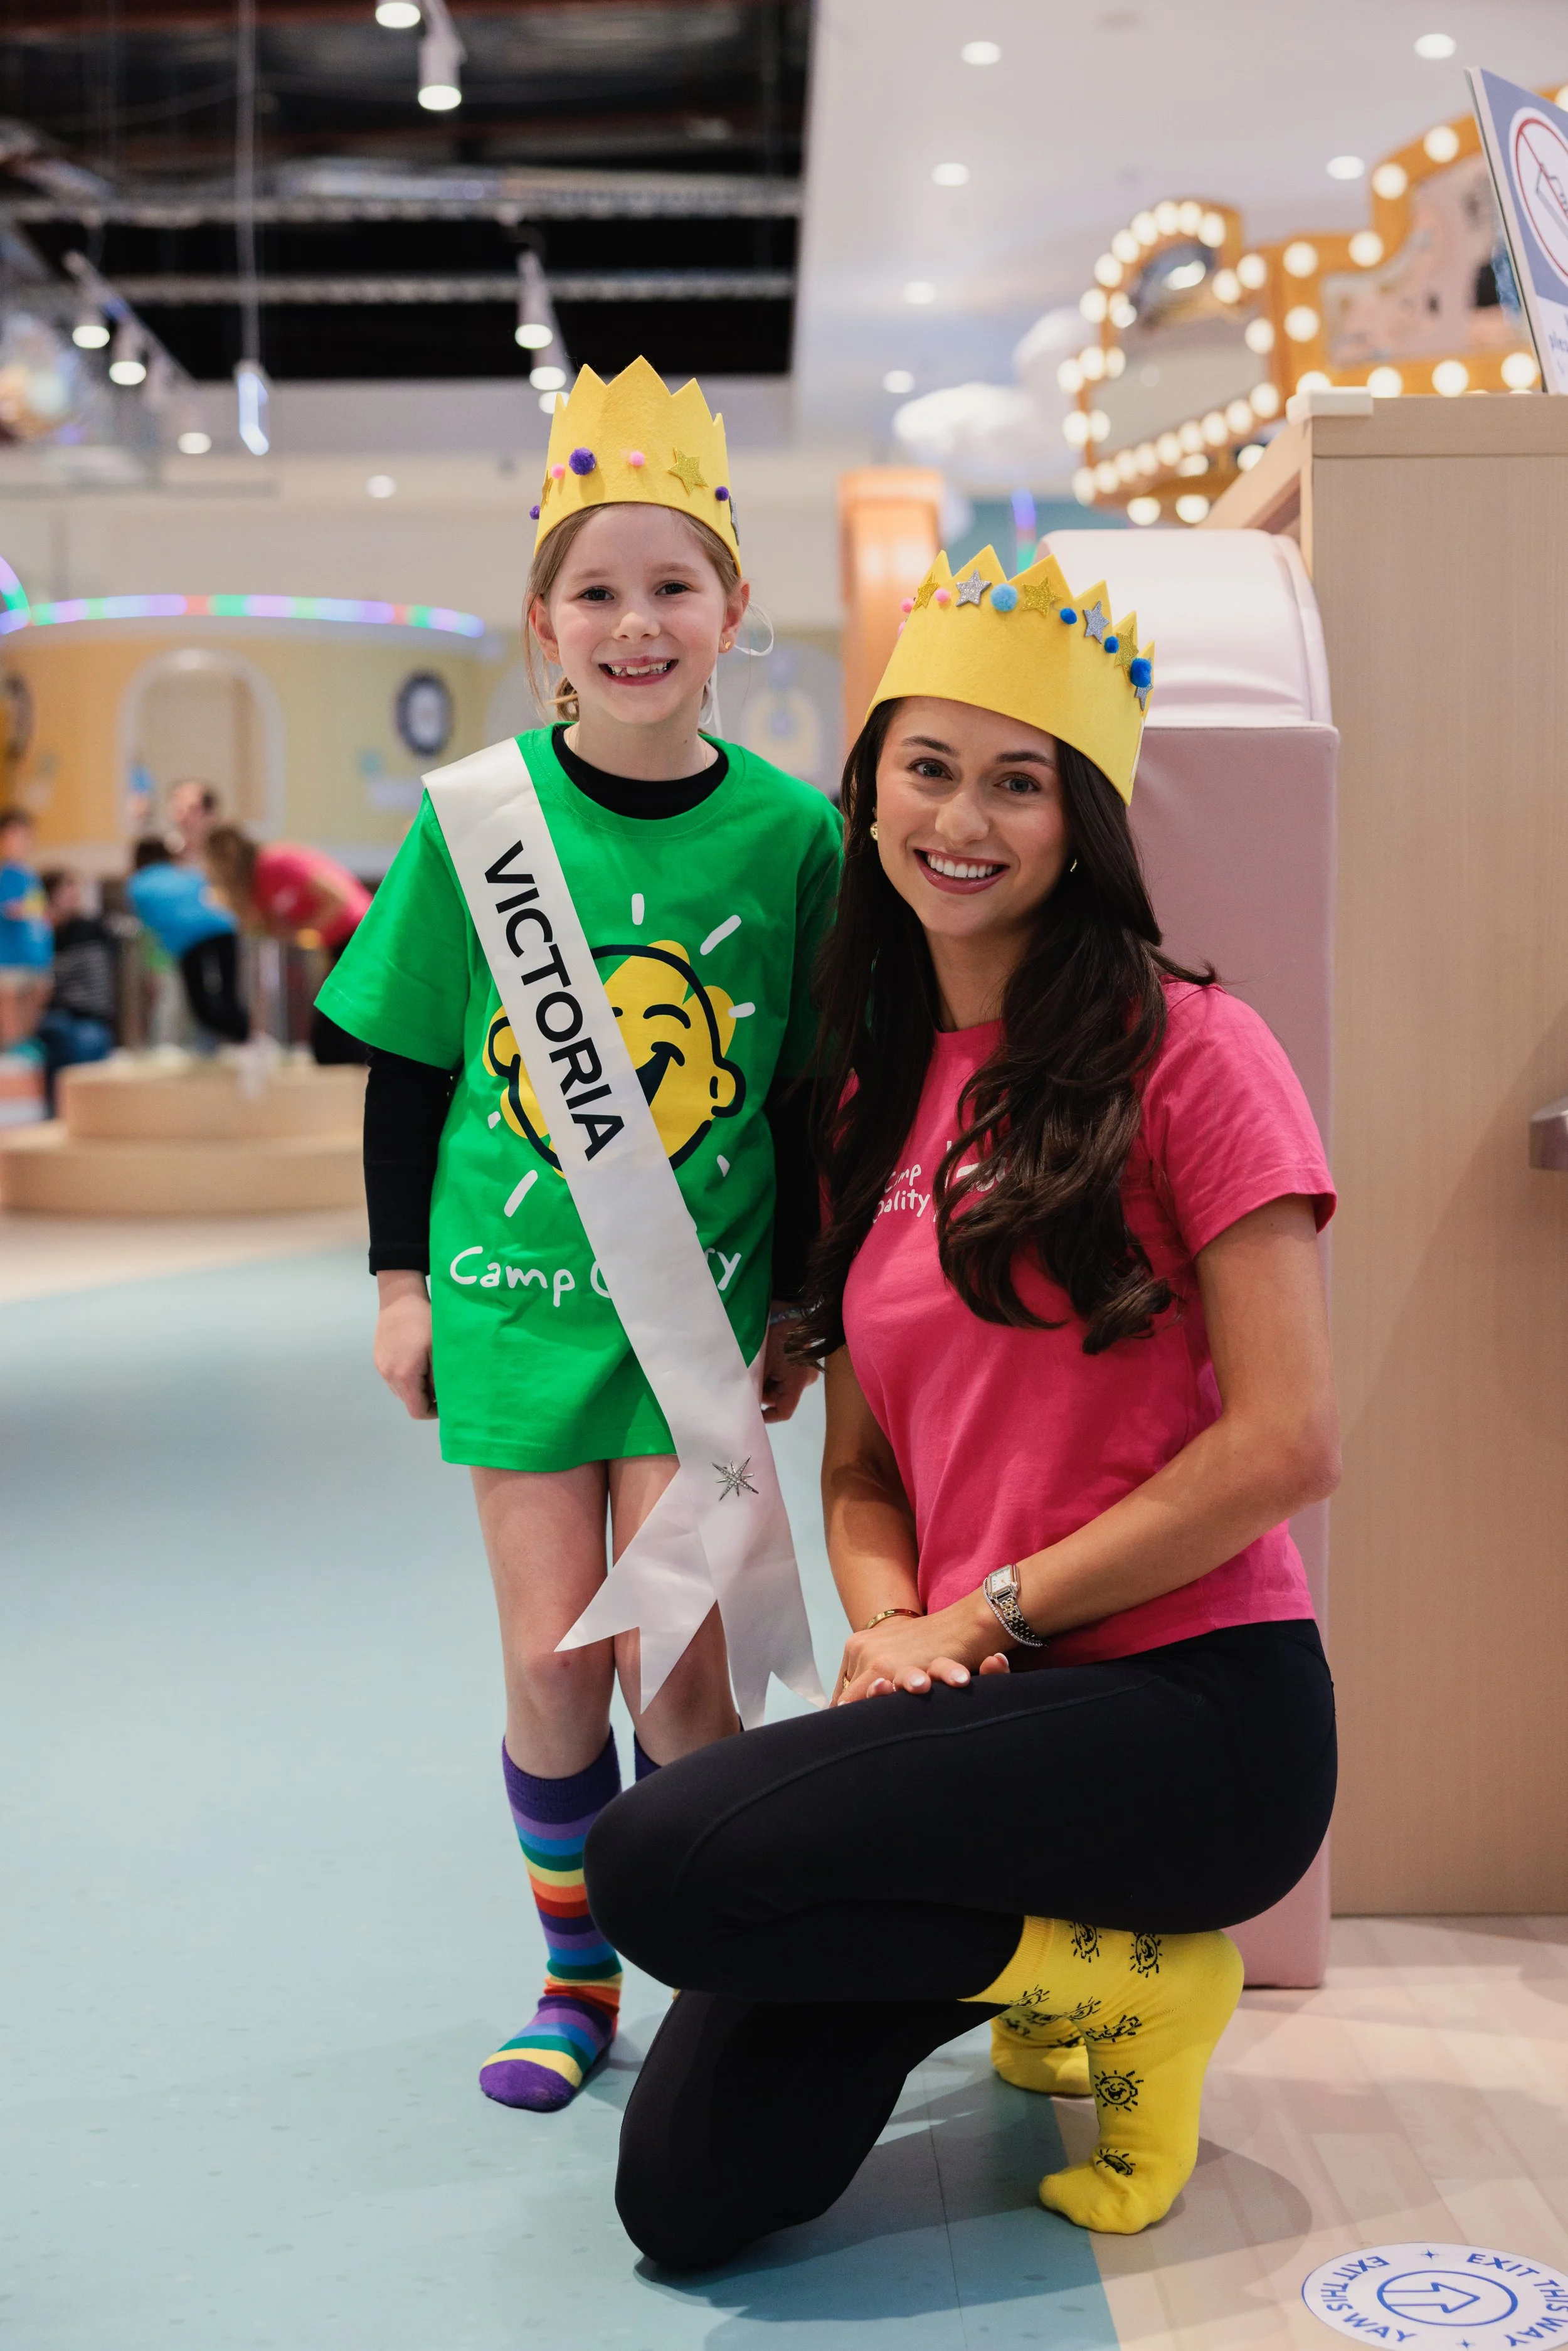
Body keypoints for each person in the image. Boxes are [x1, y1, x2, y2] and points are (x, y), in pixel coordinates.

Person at [586, 545, 1340, 2268]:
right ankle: (1074, 1970)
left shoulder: (1194, 1051)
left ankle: (1154, 1963)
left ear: (1083, 819)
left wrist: (982, 1611)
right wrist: (893, 1632)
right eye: (927, 769)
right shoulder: (866, 1080)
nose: (964, 819)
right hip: (979, 1690)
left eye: (1020, 782)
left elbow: (1288, 1441)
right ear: (869, 796)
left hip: (1192, 1710)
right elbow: (859, 1458)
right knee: (690, 2195)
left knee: (660, 1859)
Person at [315, 356, 842, 2116]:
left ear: (732, 609)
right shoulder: (472, 818)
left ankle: (721, 1968)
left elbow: (807, 1099)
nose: (635, 623)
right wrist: (398, 1283)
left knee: (681, 1676)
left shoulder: (796, 841)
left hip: (697, 1322)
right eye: (596, 592)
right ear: (542, 622)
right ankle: (570, 1972)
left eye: (670, 585)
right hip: (515, 1300)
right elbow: (404, 1069)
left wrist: (806, 1305)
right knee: (552, 1659)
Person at [203, 824, 372, 1064]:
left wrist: (300, 931)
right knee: (332, 1042)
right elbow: (262, 928)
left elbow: (339, 898)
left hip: (361, 935)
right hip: (340, 945)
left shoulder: (276, 862)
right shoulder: (256, 887)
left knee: (335, 1041)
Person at [126, 839, 249, 1046]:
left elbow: (150, 933)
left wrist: (154, 968)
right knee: (228, 999)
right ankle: (246, 1040)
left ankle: (242, 1039)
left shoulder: (138, 884)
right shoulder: (187, 874)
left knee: (202, 1009)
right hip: (225, 930)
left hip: (190, 942)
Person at [34, 869, 117, 1104]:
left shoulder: (88, 929)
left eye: (74, 890)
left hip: (86, 1019)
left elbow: (50, 982)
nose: (73, 896)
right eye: (65, 891)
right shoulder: (46, 935)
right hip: (78, 1022)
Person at [0, 804, 53, 1048]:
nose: (21, 842)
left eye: (25, 836)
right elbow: (12, 908)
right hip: (11, 957)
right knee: (11, 1003)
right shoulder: (6, 874)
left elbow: (40, 914)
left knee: (36, 998)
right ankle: (14, 1048)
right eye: (14, 836)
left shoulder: (29, 875)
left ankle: (26, 1044)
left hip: (35, 956)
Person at [166, 778, 221, 862]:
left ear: (211, 815)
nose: (182, 819)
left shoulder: (224, 856)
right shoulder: (166, 852)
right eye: (179, 811)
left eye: (192, 810)